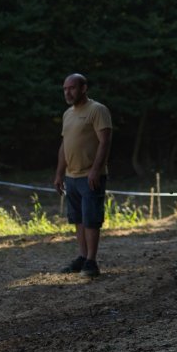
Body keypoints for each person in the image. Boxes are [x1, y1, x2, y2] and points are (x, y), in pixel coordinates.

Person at [54, 73, 112, 278]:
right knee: (77, 218)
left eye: (72, 88)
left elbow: (105, 141)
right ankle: (82, 256)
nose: (67, 92)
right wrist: (59, 173)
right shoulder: (67, 114)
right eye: (65, 89)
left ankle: (92, 261)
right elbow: (65, 145)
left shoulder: (97, 110)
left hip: (90, 175)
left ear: (83, 88)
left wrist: (96, 170)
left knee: (91, 218)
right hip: (71, 176)